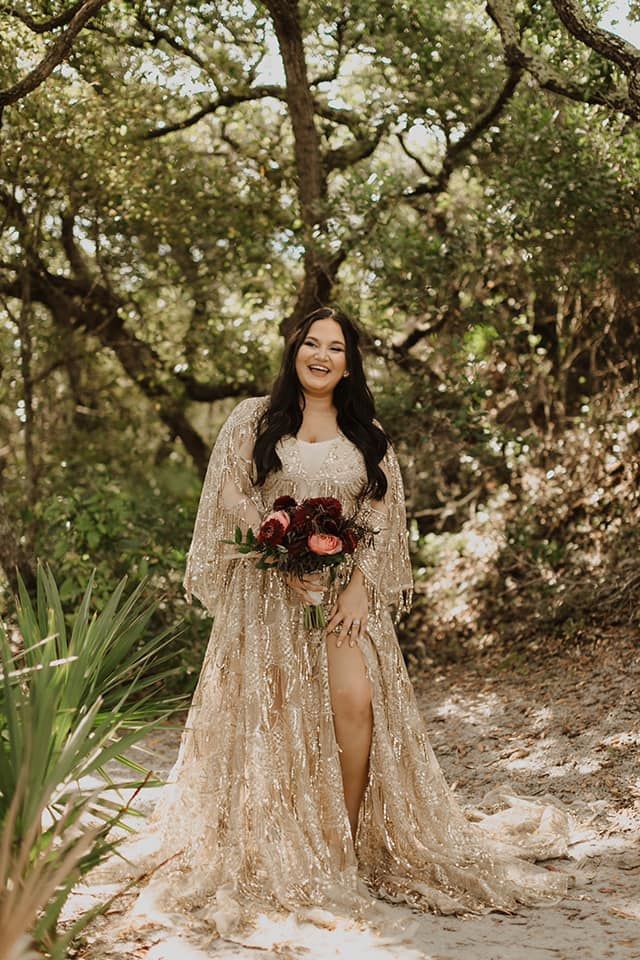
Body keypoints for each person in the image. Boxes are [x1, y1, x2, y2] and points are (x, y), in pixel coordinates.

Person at [112, 306, 575, 949]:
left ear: (350, 362)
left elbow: (382, 517)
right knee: (274, 717)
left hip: (344, 596)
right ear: (295, 350)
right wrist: (278, 549)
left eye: (336, 347)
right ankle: (277, 838)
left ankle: (343, 841)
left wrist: (359, 585)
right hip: (268, 598)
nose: (322, 355)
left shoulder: (367, 433)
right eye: (312, 343)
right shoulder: (252, 419)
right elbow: (231, 496)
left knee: (354, 704)